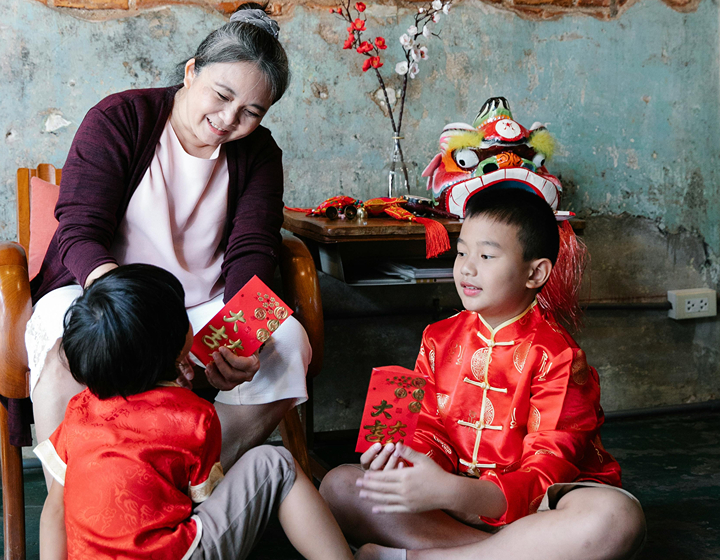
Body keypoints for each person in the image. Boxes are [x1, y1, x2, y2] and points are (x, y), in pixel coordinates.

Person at [26, 2, 308, 483]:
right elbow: (78, 227)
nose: (228, 119)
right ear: (192, 71)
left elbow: (253, 248)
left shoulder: (259, 153)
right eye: (221, 95)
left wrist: (243, 332)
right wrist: (119, 301)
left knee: (284, 342)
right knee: (62, 336)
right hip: (101, 286)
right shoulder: (121, 118)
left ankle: (182, 481)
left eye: (251, 112)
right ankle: (70, 498)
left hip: (199, 299)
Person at [320, 188, 647, 560]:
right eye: (461, 252)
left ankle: (421, 557)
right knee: (340, 486)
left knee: (615, 519)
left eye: (487, 255)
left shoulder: (559, 356)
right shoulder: (438, 338)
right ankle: (504, 555)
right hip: (455, 507)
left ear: (535, 272)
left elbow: (546, 474)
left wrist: (451, 492)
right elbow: (430, 428)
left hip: (535, 511)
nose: (467, 268)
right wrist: (406, 463)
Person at [35, 264, 354, 560]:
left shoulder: (78, 410)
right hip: (173, 552)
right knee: (277, 464)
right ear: (176, 340)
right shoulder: (195, 418)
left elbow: (54, 512)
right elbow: (204, 501)